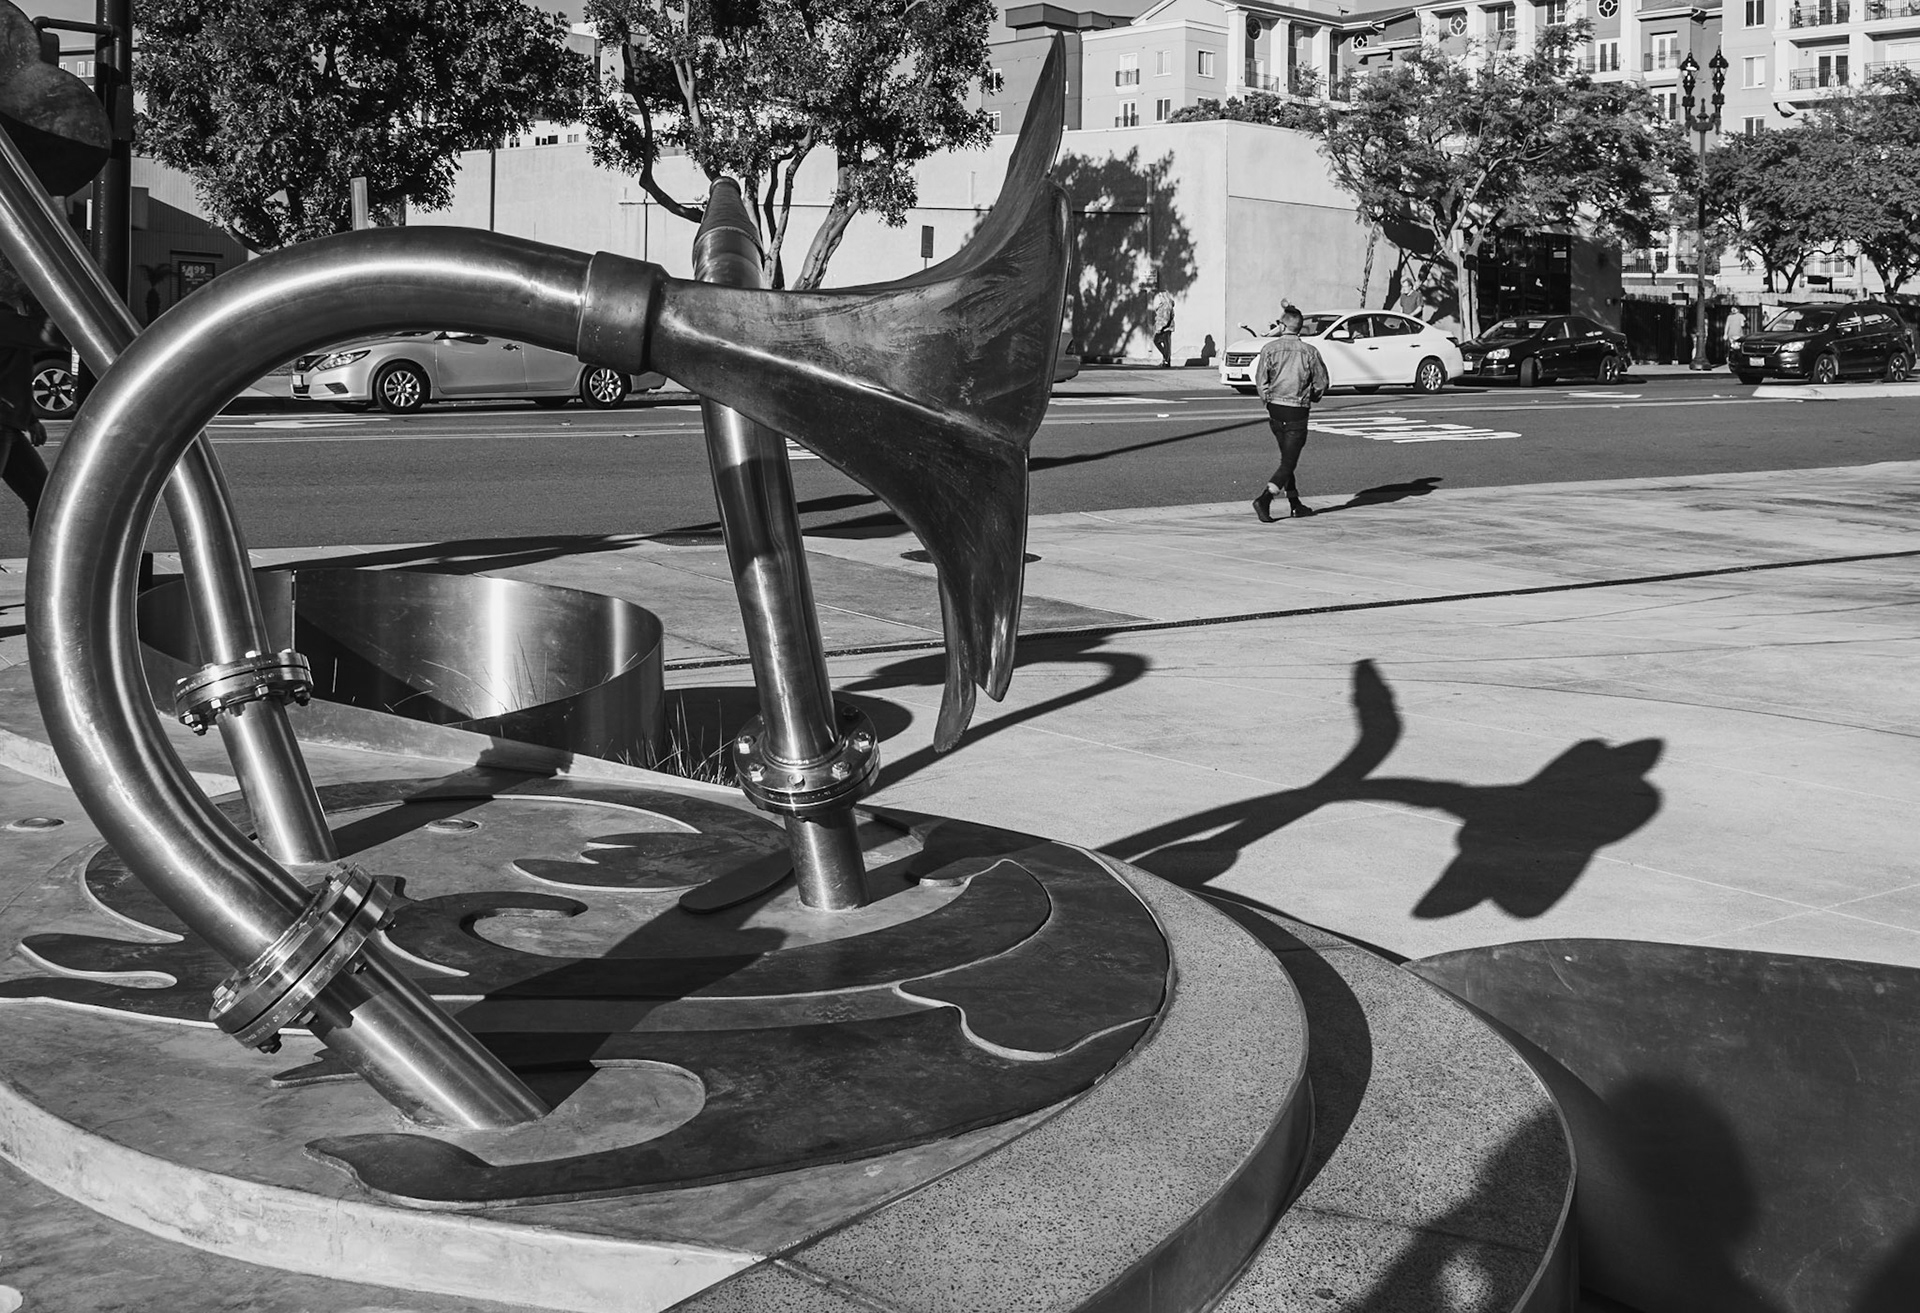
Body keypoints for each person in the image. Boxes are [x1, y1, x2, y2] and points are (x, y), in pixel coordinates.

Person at [1250, 306, 1329, 522]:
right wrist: (1311, 396)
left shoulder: (1269, 348)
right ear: (1299, 328)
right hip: (1297, 410)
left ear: (1282, 325)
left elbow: (1260, 381)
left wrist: (1267, 399)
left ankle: (1295, 503)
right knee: (1289, 462)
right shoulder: (1310, 352)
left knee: (1287, 458)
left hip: (1275, 408)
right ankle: (1265, 499)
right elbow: (1322, 383)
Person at [0, 296, 52, 533]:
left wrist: (30, 418)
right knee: (43, 499)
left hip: (8, 424)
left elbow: (9, 372)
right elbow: (45, 334)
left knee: (43, 499)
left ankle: (46, 568)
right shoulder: (5, 319)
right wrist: (44, 297)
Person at [1148, 279, 1175, 368]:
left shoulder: (1167, 306)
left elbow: (1166, 319)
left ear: (1164, 297)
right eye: (1159, 296)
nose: (1160, 298)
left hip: (1165, 328)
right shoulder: (1162, 305)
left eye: (1161, 296)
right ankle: (1166, 359)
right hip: (1162, 327)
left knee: (1164, 344)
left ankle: (1166, 361)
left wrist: (1160, 327)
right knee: (1160, 342)